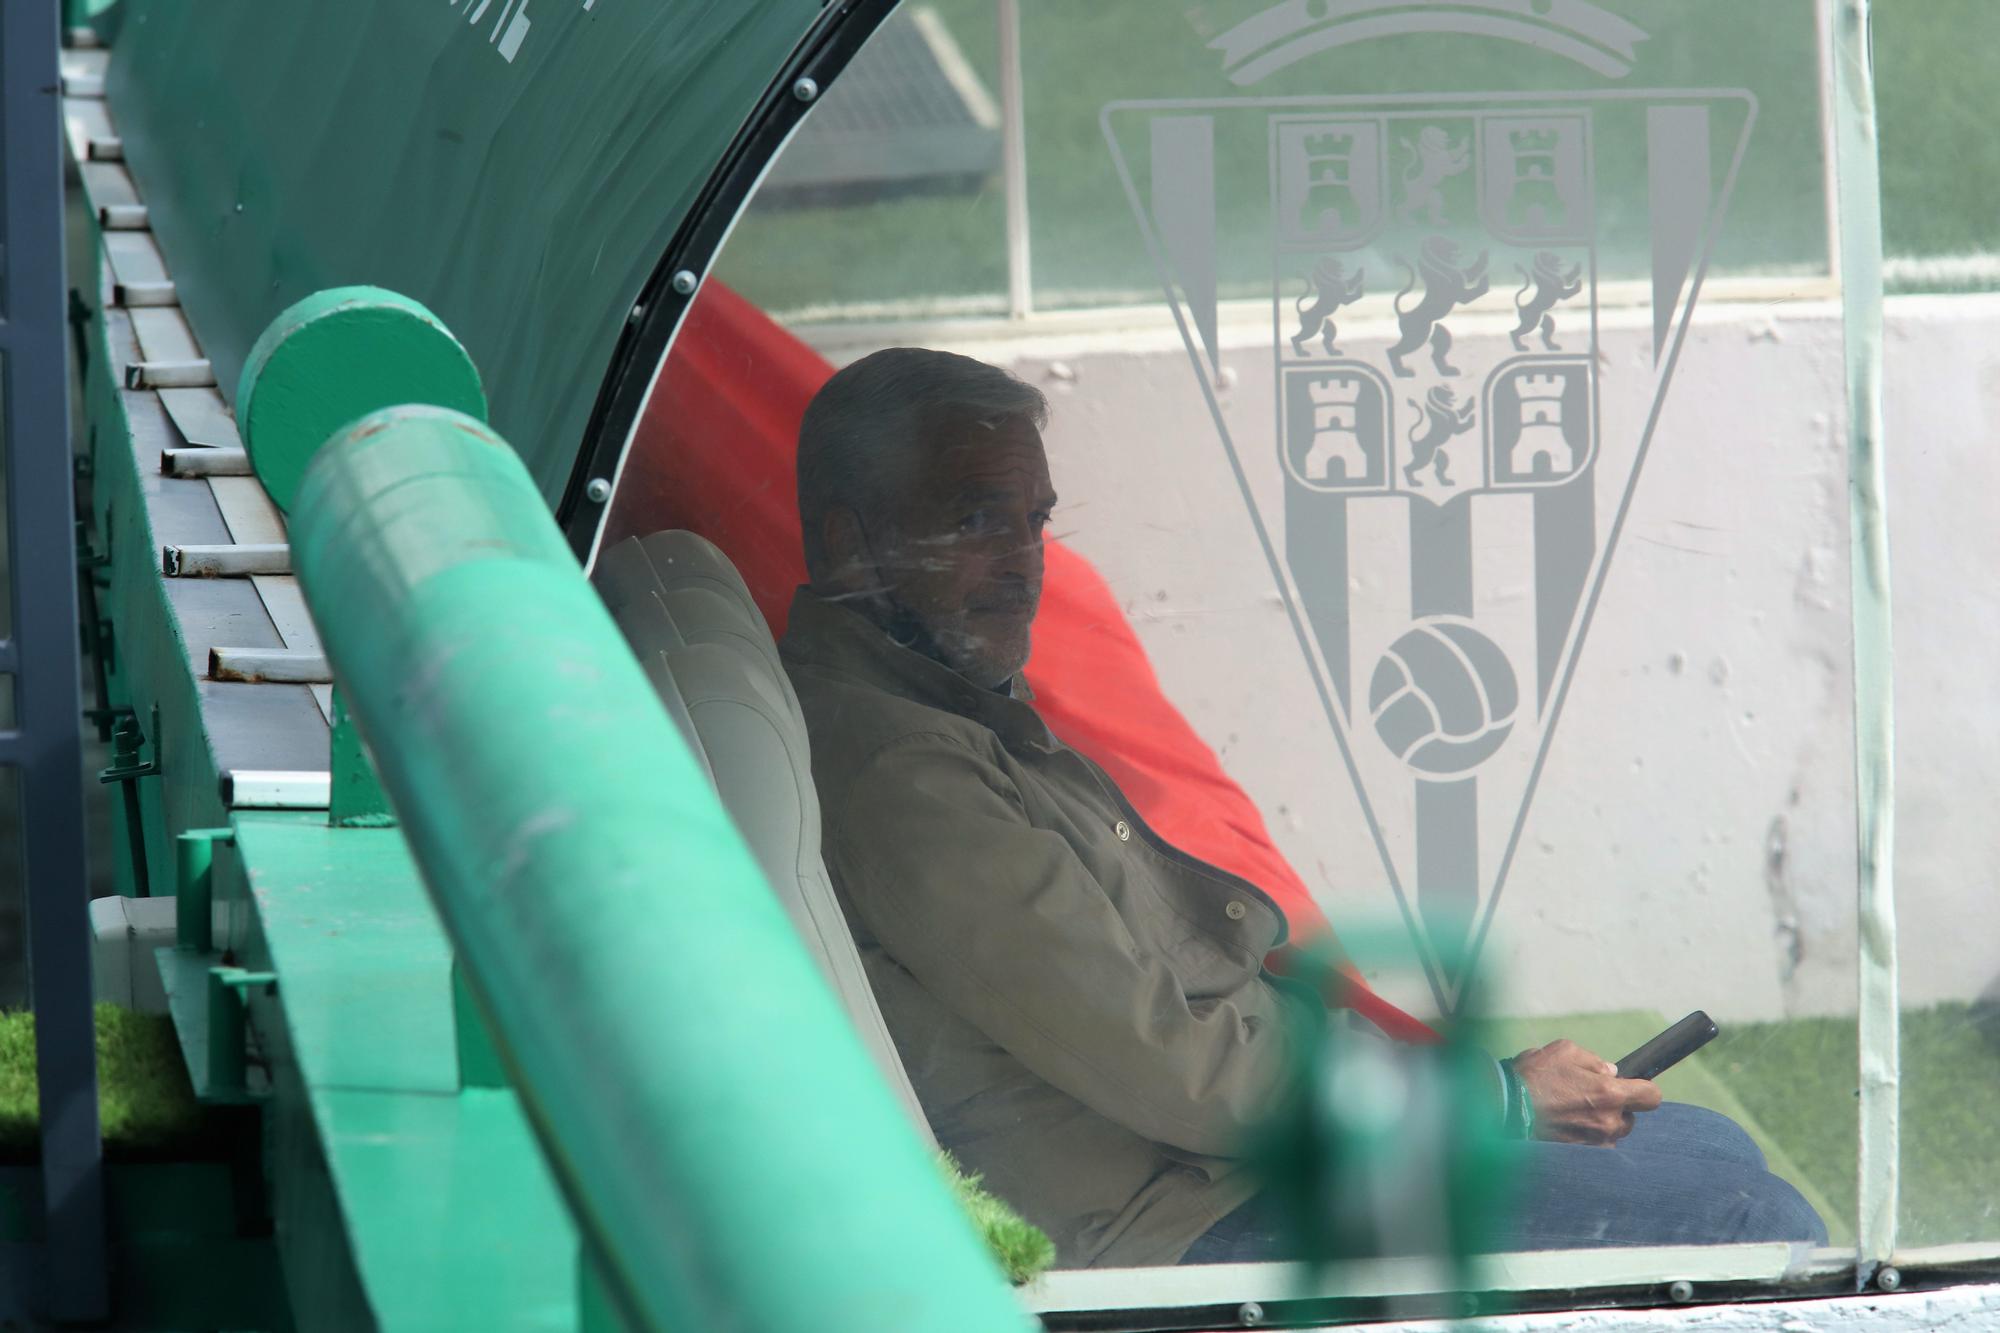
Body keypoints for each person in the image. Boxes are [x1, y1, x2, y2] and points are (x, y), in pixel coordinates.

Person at [775, 346, 1827, 1269]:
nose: (1023, 565)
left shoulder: (936, 709)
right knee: (1743, 1211)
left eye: (1034, 522)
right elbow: (1168, 1062)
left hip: (1225, 1159)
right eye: (972, 521)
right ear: (850, 542)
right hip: (1179, 1212)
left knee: (1699, 1146)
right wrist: (1486, 1104)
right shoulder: (899, 773)